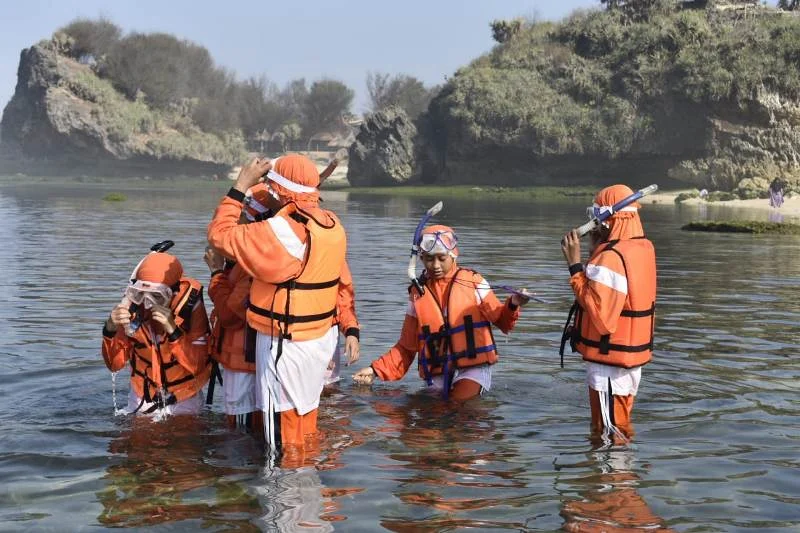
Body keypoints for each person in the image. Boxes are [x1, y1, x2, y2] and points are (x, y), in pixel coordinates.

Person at [207, 153, 357, 458]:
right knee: (304, 423)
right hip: (316, 340)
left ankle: (284, 496)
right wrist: (351, 327)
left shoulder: (279, 233)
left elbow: (218, 235)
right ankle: (307, 494)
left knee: (280, 440)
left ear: (277, 190)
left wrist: (240, 186)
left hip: (285, 346)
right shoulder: (330, 225)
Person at [353, 224, 530, 401]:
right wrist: (375, 370)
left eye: (441, 258)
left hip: (473, 369)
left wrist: (514, 303)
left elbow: (502, 321)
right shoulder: (418, 293)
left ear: (453, 255)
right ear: (421, 257)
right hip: (437, 373)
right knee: (426, 417)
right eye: (429, 258)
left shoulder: (474, 281)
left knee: (457, 404)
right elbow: (407, 346)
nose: (435, 265)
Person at [560, 184, 657, 442]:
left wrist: (574, 266)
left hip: (609, 369)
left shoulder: (611, 257)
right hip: (624, 363)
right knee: (617, 430)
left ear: (607, 219)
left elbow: (602, 319)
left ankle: (611, 480)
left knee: (608, 435)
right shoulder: (641, 248)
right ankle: (613, 478)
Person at [102, 249, 212, 416]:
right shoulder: (132, 309)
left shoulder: (190, 310)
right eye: (142, 295)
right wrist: (110, 328)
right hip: (142, 395)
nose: (147, 304)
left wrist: (173, 330)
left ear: (173, 293)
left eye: (156, 296)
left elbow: (196, 366)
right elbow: (114, 364)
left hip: (184, 395)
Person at [205, 184, 278, 431]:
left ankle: (241, 469)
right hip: (261, 360)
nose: (235, 226)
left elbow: (228, 315)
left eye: (243, 218)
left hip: (245, 363)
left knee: (240, 431)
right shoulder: (257, 258)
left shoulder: (252, 267)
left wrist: (216, 273)